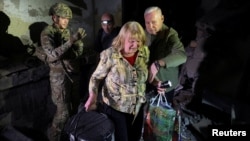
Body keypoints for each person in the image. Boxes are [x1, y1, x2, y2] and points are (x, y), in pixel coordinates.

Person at [84, 21, 149, 141]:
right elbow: (96, 77)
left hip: (137, 105)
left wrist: (156, 82)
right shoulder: (110, 55)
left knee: (135, 137)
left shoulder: (144, 52)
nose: (135, 45)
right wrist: (92, 96)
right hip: (116, 107)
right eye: (132, 41)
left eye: (139, 41)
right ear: (123, 38)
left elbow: (142, 73)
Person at [40, 2, 86, 141]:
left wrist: (78, 44)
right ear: (54, 18)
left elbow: (74, 53)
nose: (66, 21)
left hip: (72, 74)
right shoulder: (47, 33)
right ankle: (54, 137)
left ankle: (68, 134)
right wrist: (72, 41)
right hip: (59, 77)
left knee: (74, 107)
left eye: (68, 18)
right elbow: (53, 55)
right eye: (63, 18)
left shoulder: (65, 31)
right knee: (63, 114)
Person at [144, 6, 187, 105]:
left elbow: (182, 55)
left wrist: (159, 63)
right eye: (147, 23)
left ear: (162, 19)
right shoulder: (145, 33)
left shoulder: (170, 35)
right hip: (150, 80)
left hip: (165, 84)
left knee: (162, 114)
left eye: (154, 22)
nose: (150, 26)